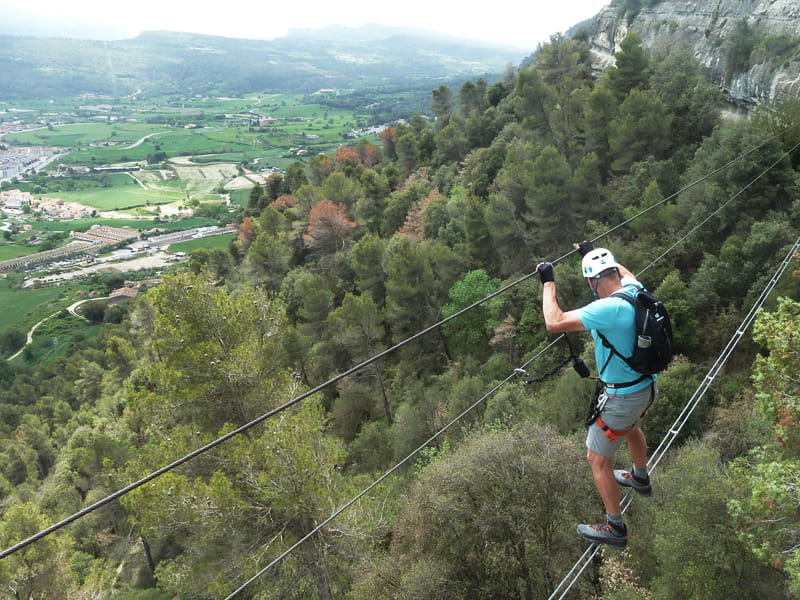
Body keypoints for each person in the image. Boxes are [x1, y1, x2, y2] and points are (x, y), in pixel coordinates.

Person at [537, 243, 656, 551]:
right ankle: (640, 478)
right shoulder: (635, 289)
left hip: (623, 396)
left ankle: (615, 527)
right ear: (615, 271)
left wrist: (549, 282)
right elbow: (626, 272)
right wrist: (591, 254)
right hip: (645, 388)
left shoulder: (606, 308)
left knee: (597, 460)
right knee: (629, 428)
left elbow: (554, 321)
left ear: (592, 282)